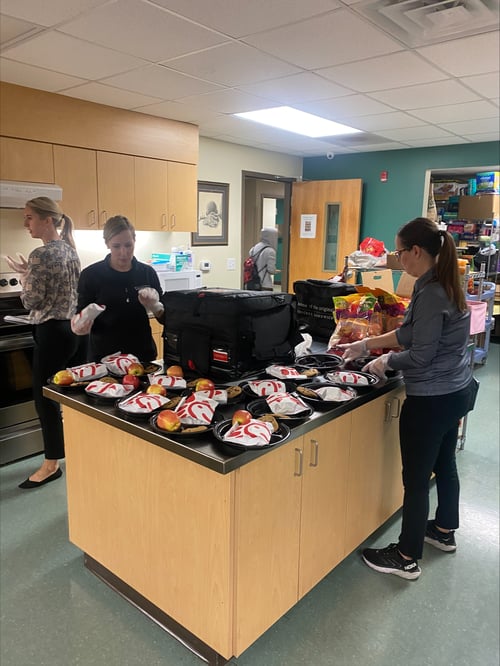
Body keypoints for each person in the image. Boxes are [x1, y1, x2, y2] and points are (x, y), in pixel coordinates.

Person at [339, 217, 476, 580]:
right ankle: (444, 530)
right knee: (445, 464)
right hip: (457, 390)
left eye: (399, 252)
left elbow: (420, 355)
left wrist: (385, 360)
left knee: (415, 480)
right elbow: (413, 332)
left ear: (416, 251)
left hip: (432, 398)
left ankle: (406, 556)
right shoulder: (443, 280)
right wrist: (366, 344)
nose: (397, 259)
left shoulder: (431, 292)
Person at [6, 197, 81, 489]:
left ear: (47, 220)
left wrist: (24, 278)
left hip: (50, 331)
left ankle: (51, 464)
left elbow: (31, 300)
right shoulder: (70, 251)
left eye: (29, 218)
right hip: (70, 330)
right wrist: (30, 274)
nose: (26, 224)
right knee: (66, 395)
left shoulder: (40, 254)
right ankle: (69, 450)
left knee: (44, 398)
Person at [72, 215, 163, 362]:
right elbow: (79, 316)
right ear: (107, 243)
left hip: (142, 355)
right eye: (116, 246)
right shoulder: (91, 275)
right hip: (104, 357)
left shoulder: (147, 273)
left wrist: (155, 306)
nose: (123, 252)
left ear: (134, 240)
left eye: (128, 245)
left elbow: (164, 318)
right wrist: (81, 325)